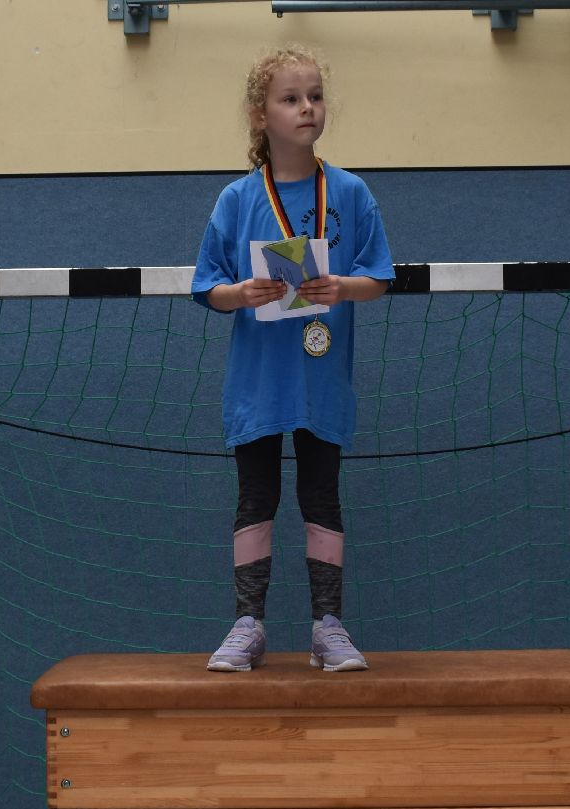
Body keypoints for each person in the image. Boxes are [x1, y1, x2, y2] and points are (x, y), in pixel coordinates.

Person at [192, 44, 393, 672]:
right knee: (255, 498)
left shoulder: (351, 193)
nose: (307, 108)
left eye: (315, 96)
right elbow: (207, 287)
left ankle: (327, 626)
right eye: (290, 98)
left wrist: (342, 287)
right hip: (258, 381)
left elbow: (379, 277)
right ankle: (247, 624)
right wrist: (240, 294)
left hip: (321, 378)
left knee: (321, 497)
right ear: (261, 115)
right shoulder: (236, 199)